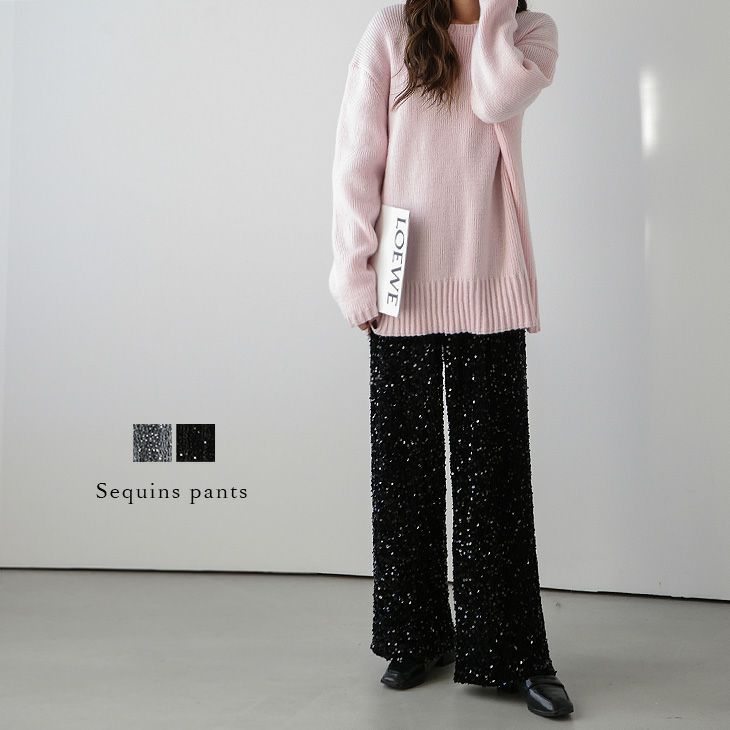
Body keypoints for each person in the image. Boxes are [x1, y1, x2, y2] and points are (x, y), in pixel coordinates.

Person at [328, 0, 574, 719]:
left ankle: (512, 652)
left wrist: (492, 12)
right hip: (401, 284)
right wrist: (353, 271)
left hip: (489, 279)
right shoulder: (392, 31)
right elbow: (357, 156)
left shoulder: (527, 35)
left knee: (495, 479)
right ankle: (416, 636)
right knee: (403, 478)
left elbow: (495, 98)